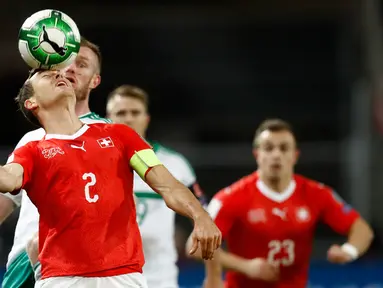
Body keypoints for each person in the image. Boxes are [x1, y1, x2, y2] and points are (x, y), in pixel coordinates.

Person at [0, 68, 221, 288]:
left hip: (123, 276)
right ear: (32, 102)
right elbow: (8, 179)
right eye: (47, 76)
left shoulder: (121, 136)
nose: (59, 75)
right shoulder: (32, 151)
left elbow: (168, 185)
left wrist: (200, 216)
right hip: (62, 278)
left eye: (59, 74)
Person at [187, 118, 374, 288]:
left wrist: (349, 251)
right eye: (268, 148)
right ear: (257, 154)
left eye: (284, 148)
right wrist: (246, 266)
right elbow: (193, 247)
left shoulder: (317, 194)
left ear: (295, 155)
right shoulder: (230, 197)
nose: (276, 155)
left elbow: (362, 229)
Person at [1, 37, 112, 288]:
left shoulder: (111, 136)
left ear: (95, 81)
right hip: (22, 267)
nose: (70, 69)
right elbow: (6, 198)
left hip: (83, 268)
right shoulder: (31, 141)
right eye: (66, 62)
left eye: (82, 64)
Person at [106, 85, 206, 288]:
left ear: (146, 118)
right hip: (108, 279)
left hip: (160, 279)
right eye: (121, 113)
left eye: (135, 112)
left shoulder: (175, 163)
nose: (128, 118)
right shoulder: (92, 163)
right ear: (108, 119)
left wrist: (194, 232)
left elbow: (204, 209)